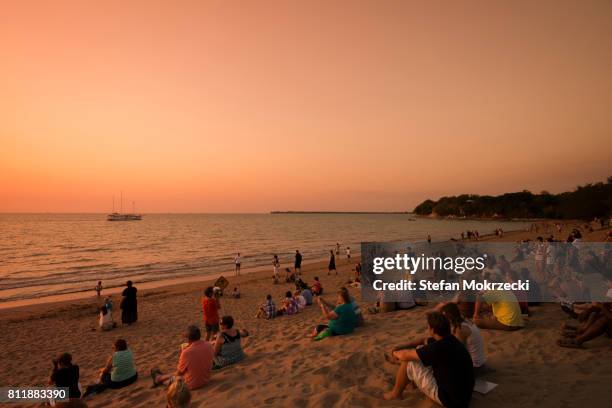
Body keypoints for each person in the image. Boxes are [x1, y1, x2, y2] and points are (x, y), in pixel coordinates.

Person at [384, 312, 475, 407]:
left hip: (450, 400)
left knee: (409, 361)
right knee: (419, 350)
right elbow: (423, 340)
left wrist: (394, 352)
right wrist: (400, 346)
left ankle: (395, 394)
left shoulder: (437, 348)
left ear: (432, 330)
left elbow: (405, 355)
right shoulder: (451, 340)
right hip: (465, 396)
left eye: (428, 327)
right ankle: (411, 382)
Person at [440, 303, 486, 375]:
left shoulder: (460, 329)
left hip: (475, 366)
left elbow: (458, 352)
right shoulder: (463, 320)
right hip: (480, 362)